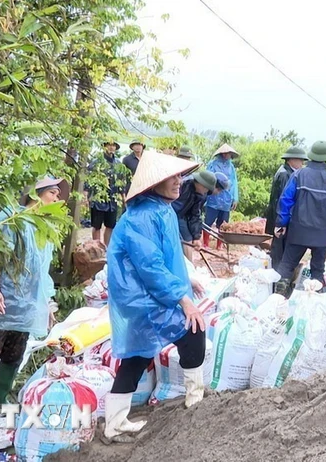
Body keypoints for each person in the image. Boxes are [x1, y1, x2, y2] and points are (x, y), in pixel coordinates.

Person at [104, 149, 207, 443]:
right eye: (171, 177)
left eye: (179, 176)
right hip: (142, 296)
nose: (178, 181)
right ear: (153, 183)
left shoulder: (158, 209)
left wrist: (189, 282)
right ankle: (195, 403)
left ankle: (114, 423)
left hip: (145, 295)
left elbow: (167, 259)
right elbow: (151, 267)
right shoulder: (145, 216)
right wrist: (183, 299)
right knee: (193, 330)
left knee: (137, 356)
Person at [0, 177, 70, 439]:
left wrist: (47, 305)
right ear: (36, 194)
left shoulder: (43, 228)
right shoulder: (14, 219)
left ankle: (0, 404)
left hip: (23, 309)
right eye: (53, 193)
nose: (56, 199)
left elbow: (42, 274)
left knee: (12, 356)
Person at [273, 141, 326, 297]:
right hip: (322, 234)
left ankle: (278, 299)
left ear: (311, 156)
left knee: (287, 265)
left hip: (298, 230)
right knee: (317, 270)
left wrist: (281, 223)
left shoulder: (298, 175)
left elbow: (285, 200)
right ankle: (314, 302)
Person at [265, 146, 308, 270]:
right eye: (301, 160)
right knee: (280, 249)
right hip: (281, 217)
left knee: (280, 248)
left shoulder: (286, 171)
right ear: (292, 160)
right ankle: (278, 276)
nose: (302, 163)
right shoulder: (285, 174)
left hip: (279, 216)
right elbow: (284, 200)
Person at [172, 170, 221, 261]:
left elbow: (195, 214)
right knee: (185, 239)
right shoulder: (183, 185)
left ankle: (189, 265)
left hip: (182, 215)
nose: (206, 191)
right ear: (201, 184)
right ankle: (187, 264)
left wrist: (196, 237)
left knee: (189, 238)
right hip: (171, 213)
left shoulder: (201, 195)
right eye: (206, 188)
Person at [85, 141, 126, 247]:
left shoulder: (118, 163)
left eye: (113, 146)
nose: (111, 148)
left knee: (110, 225)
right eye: (109, 145)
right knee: (96, 225)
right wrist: (86, 195)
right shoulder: (97, 162)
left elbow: (121, 181)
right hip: (99, 198)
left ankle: (107, 248)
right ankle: (97, 247)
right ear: (104, 147)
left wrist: (123, 196)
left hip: (113, 199)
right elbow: (89, 180)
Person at [205, 143, 240, 249]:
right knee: (208, 222)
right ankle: (205, 244)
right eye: (224, 153)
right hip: (213, 197)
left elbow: (234, 182)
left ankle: (219, 245)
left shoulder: (231, 167)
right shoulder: (213, 164)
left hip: (226, 199)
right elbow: (208, 178)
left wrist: (235, 198)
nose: (226, 155)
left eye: (228, 153)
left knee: (223, 223)